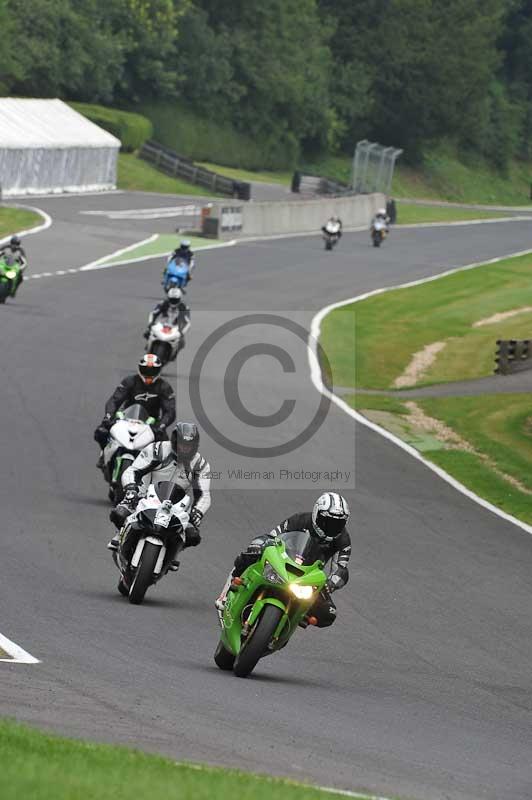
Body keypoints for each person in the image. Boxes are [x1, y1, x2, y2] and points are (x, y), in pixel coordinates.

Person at [215, 492, 351, 627]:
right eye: (327, 521)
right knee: (252, 551)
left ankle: (294, 619)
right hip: (283, 561)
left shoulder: (343, 539)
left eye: (338, 524)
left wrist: (330, 584)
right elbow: (273, 536)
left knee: (328, 614)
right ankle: (226, 594)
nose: (331, 527)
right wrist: (263, 544)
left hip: (308, 576)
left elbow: (341, 568)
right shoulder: (300, 520)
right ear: (316, 514)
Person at [108, 422, 211, 555]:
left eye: (188, 446)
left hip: (175, 506)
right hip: (144, 497)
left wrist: (198, 512)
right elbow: (132, 471)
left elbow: (204, 495)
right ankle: (121, 533)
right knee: (120, 513)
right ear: (174, 441)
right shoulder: (158, 449)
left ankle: (173, 553)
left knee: (193, 535)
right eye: (182, 444)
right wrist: (131, 490)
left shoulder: (200, 465)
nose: (185, 449)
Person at [93, 354, 176, 464]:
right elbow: (115, 400)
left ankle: (156, 472)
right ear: (139, 368)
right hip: (126, 418)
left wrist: (161, 425)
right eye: (145, 370)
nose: (148, 374)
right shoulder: (130, 381)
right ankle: (104, 453)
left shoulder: (165, 387)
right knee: (101, 431)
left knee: (165, 449)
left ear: (159, 370)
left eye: (152, 371)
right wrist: (108, 416)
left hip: (152, 423)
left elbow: (170, 410)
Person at [143, 287, 191, 357]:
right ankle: (148, 346)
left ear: (179, 299)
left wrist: (182, 332)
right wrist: (150, 323)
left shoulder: (184, 307)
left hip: (175, 327)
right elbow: (153, 313)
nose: (173, 302)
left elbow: (187, 322)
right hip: (162, 325)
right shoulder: (163, 303)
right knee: (147, 333)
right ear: (168, 298)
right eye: (171, 299)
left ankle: (173, 354)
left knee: (182, 343)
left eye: (175, 300)